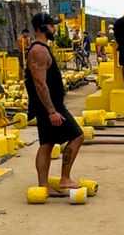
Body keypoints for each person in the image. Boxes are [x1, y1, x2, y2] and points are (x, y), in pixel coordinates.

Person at [25, 12, 84, 195]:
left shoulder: (41, 49)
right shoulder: (39, 51)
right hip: (50, 107)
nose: (54, 28)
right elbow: (40, 83)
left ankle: (44, 185)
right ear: (43, 28)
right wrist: (51, 111)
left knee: (47, 143)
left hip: (48, 105)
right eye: (51, 25)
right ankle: (65, 178)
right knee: (77, 136)